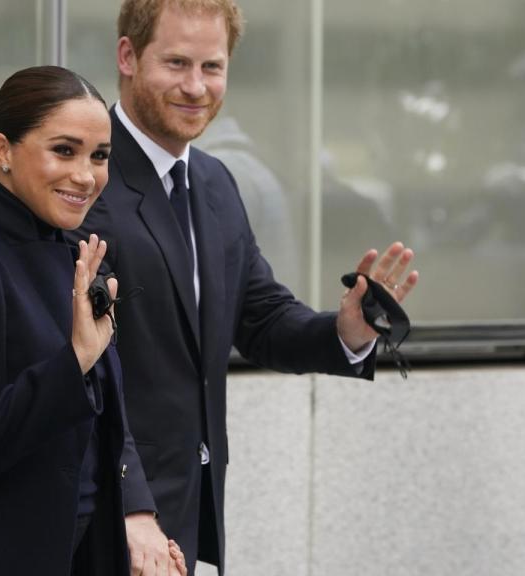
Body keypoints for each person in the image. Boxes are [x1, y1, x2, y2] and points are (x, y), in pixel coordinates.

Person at [68, 1, 420, 574]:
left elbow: (260, 318)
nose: (196, 86)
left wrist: (346, 330)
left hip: (183, 513)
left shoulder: (214, 182)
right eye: (177, 63)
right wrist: (131, 503)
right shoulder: (85, 182)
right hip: (100, 519)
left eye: (212, 66)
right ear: (127, 57)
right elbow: (74, 369)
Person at [0, 66, 185, 576]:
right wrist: (75, 361)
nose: (86, 176)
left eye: (99, 156)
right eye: (64, 151)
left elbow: (105, 432)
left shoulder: (83, 259)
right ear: (3, 150)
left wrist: (137, 521)